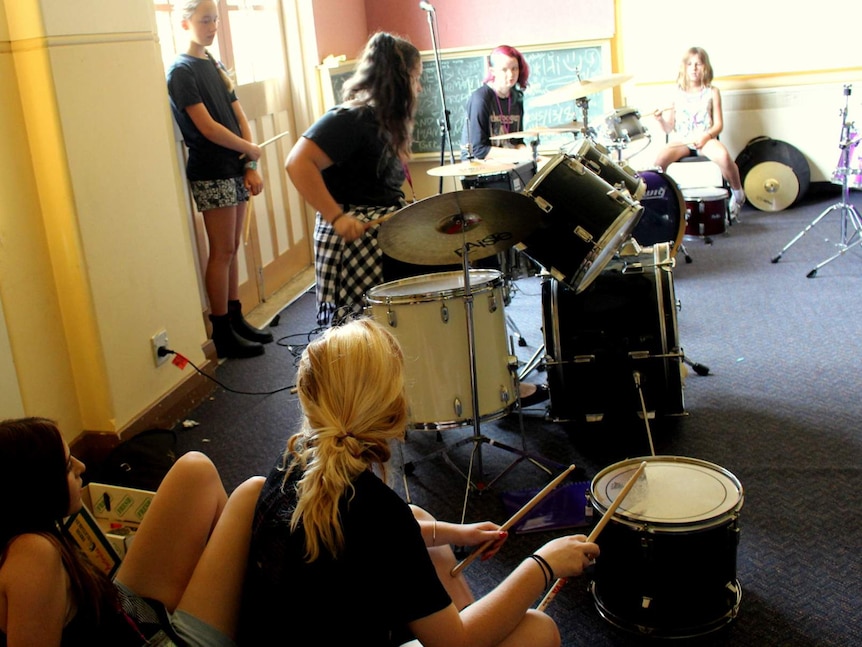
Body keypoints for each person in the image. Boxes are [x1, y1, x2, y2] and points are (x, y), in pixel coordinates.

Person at [238, 318, 599, 646]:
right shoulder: (378, 513)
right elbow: (453, 643)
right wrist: (543, 564)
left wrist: (458, 534)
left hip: (286, 631)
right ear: (395, 409)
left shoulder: (293, 460)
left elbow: (376, 539)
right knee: (537, 629)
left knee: (421, 521)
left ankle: (471, 619)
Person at [0, 416, 264, 646]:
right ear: (36, 488)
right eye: (68, 466)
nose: (82, 467)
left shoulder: (20, 536)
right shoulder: (33, 556)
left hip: (123, 614)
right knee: (251, 493)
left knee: (195, 469)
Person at [285, 32, 423, 327]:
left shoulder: (383, 122)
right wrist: (336, 217)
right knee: (359, 332)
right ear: (399, 80)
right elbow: (297, 163)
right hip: (352, 245)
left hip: (375, 239)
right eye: (415, 78)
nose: (418, 87)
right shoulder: (350, 118)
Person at [167, 0, 273, 359]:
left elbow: (237, 114)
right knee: (222, 251)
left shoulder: (214, 63)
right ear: (185, 24)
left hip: (233, 165)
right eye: (205, 20)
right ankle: (222, 330)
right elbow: (207, 127)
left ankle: (236, 316)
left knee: (232, 250)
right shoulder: (180, 71)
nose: (212, 26)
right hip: (211, 168)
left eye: (215, 19)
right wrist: (249, 148)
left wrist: (248, 162)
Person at [652, 47, 746, 219]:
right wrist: (659, 120)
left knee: (724, 157)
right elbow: (668, 127)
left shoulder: (712, 91)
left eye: (698, 64)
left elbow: (718, 124)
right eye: (690, 64)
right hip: (682, 140)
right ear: (684, 68)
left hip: (705, 138)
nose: (694, 68)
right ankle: (665, 203)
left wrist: (706, 136)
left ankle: (738, 194)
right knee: (658, 163)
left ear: (705, 67)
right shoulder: (676, 92)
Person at [462, 45, 530, 161]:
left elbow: (517, 141)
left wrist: (529, 153)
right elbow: (478, 149)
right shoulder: (481, 98)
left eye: (515, 68)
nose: (511, 74)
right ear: (492, 71)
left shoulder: (516, 98)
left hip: (507, 164)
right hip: (481, 169)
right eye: (504, 69)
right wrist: (517, 154)